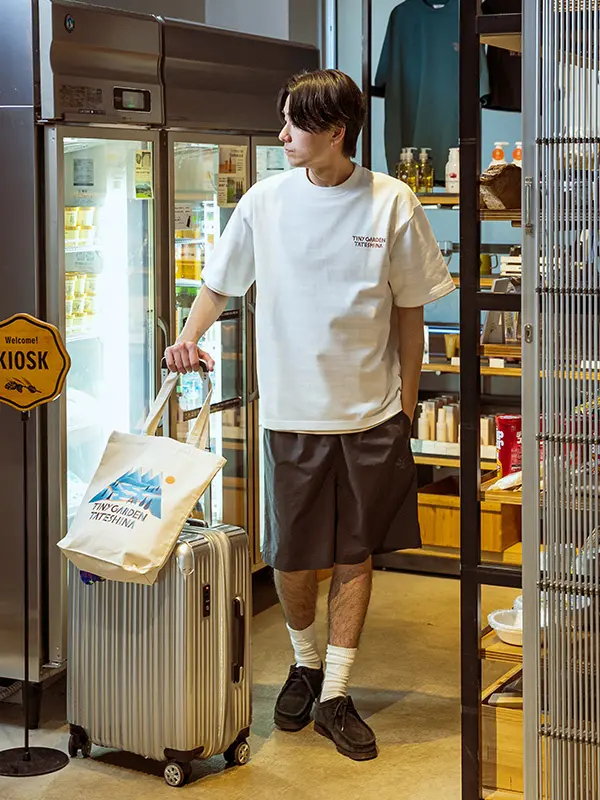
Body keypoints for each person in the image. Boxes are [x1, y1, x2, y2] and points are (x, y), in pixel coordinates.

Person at [165, 69, 455, 762]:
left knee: (355, 553)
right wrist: (187, 337)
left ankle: (337, 695)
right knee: (293, 556)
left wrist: (406, 404)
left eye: (295, 123)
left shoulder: (392, 201)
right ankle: (305, 663)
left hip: (372, 415)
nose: (282, 134)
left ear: (335, 131)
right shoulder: (264, 202)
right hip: (291, 415)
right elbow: (218, 284)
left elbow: (410, 312)